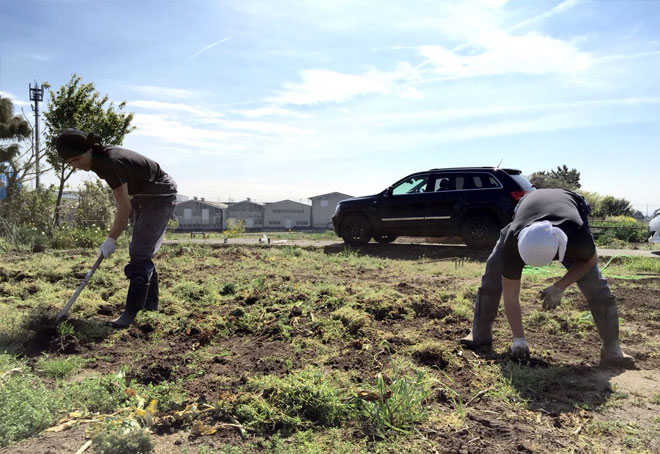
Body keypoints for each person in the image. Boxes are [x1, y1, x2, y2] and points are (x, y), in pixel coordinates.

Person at [460, 188, 635, 369]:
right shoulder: (512, 242)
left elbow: (589, 261)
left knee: (595, 283)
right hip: (527, 210)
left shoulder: (577, 236)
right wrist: (518, 338)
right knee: (493, 270)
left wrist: (560, 286)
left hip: (569, 207)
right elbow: (511, 294)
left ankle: (612, 348)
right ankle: (479, 334)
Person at [55, 129, 177, 328]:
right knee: (141, 252)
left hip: (160, 193)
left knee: (140, 253)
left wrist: (111, 238)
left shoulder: (108, 163)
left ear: (88, 150)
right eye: (71, 163)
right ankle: (150, 307)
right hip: (145, 194)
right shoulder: (99, 159)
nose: (76, 166)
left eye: (77, 159)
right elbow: (125, 202)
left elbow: (124, 206)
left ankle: (130, 315)